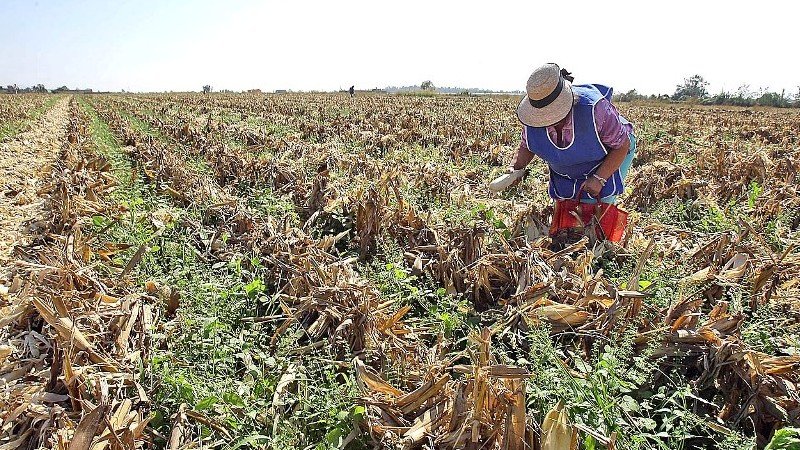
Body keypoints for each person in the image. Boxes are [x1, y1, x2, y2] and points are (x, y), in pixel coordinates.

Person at [508, 63, 636, 204]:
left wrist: (600, 178)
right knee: (566, 204)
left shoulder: (594, 110)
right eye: (543, 118)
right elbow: (527, 146)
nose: (549, 121)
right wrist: (514, 169)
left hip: (614, 149)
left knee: (598, 206)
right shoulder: (532, 120)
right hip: (568, 166)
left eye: (554, 115)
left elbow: (622, 145)